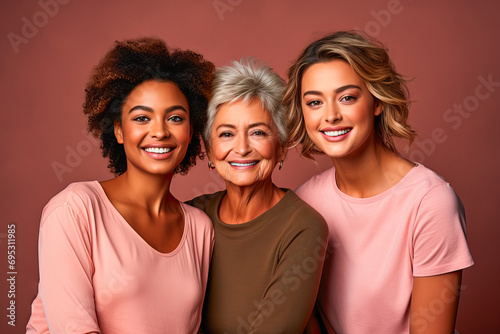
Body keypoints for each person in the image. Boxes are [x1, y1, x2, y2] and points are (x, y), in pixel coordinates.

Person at [283, 31, 474, 334]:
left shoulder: (431, 202)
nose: (330, 115)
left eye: (347, 98)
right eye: (315, 102)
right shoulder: (304, 202)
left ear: (377, 102)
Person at [26, 37, 215, 333]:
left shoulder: (200, 228)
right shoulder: (75, 209)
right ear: (118, 130)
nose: (160, 131)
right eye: (142, 117)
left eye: (175, 118)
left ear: (191, 131)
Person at [188, 58, 329, 333]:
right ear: (209, 148)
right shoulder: (194, 215)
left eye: (258, 133)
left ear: (282, 147)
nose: (241, 148)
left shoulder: (303, 226)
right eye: (227, 134)